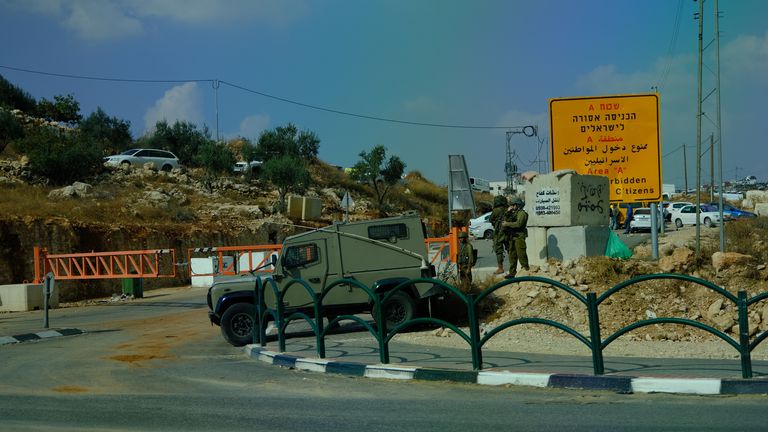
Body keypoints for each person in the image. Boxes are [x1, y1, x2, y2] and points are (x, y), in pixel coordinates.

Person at [501, 197, 529, 278]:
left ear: (517, 205)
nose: (512, 207)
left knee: (521, 255)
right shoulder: (513, 213)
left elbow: (518, 224)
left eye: (513, 205)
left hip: (519, 237)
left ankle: (526, 271)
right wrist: (507, 212)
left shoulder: (522, 214)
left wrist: (507, 224)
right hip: (512, 237)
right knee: (512, 256)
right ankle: (512, 273)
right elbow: (505, 220)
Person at [489, 195, 509, 275]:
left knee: (498, 250)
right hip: (508, 232)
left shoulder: (496, 210)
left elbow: (490, 219)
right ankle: (513, 267)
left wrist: (495, 223)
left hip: (499, 233)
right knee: (510, 249)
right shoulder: (507, 209)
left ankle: (500, 268)